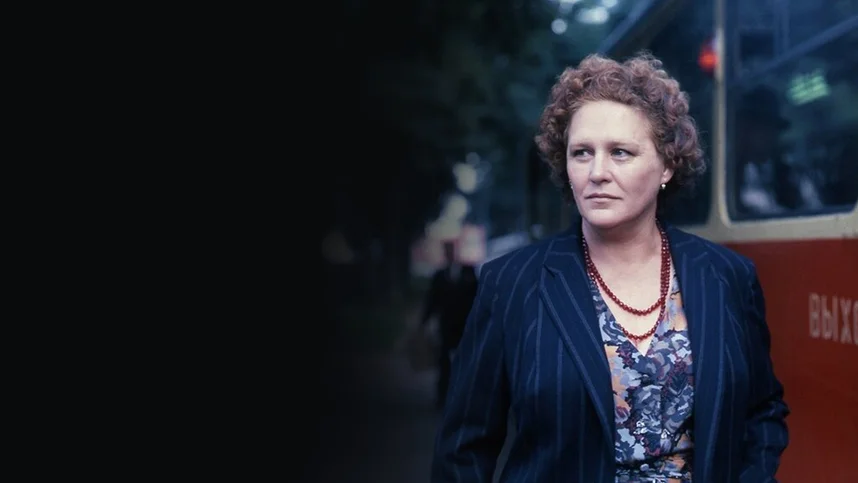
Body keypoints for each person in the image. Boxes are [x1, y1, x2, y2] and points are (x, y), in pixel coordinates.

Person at [431, 52, 789, 482]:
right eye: (582, 153)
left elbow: (762, 410)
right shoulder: (511, 284)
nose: (597, 172)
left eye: (620, 152)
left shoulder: (727, 276)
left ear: (667, 165)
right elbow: (464, 448)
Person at [421, 240, 478, 409]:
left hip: (465, 326)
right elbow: (432, 300)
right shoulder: (440, 276)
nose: (449, 254)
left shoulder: (469, 272)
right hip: (446, 326)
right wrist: (424, 321)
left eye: (451, 250)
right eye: (447, 251)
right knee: (444, 362)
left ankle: (466, 398)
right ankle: (442, 397)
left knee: (466, 362)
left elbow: (478, 297)